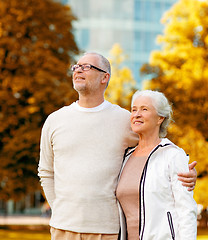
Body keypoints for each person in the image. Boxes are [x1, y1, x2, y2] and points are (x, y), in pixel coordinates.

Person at [38, 52, 197, 240]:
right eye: (76, 66)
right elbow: (46, 172)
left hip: (108, 230)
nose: (78, 70)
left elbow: (154, 148)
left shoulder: (124, 120)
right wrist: (60, 209)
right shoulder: (55, 120)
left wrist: (183, 174)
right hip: (62, 228)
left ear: (105, 77)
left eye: (87, 66)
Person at [116, 90, 197, 240]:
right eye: (134, 109)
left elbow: (186, 210)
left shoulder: (173, 155)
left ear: (160, 117)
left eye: (144, 109)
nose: (136, 114)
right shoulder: (125, 157)